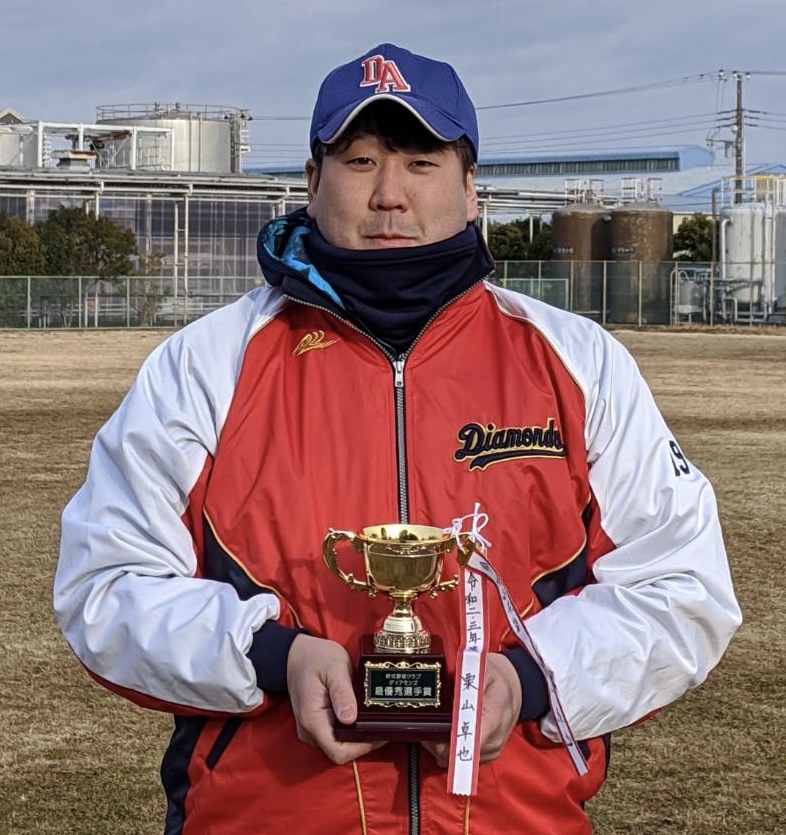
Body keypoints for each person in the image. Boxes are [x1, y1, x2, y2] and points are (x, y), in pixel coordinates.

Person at [54, 43, 741, 835]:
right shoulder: (206, 365)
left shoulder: (579, 363)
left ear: (470, 187)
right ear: (311, 181)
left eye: (421, 162)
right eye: (359, 160)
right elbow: (106, 585)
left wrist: (527, 679)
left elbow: (682, 588)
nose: (388, 194)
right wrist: (271, 656)